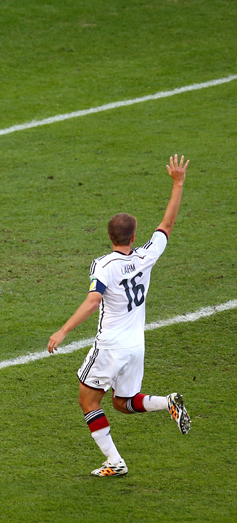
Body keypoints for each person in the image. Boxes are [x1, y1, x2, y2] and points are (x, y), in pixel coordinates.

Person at [48, 155, 192, 477]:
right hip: (136, 345)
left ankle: (115, 462)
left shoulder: (104, 265)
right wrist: (178, 183)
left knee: (89, 401)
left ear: (110, 236)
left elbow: (92, 301)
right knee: (122, 402)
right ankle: (166, 401)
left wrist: (63, 332)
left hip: (110, 345)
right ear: (132, 235)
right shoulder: (146, 256)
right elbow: (166, 225)